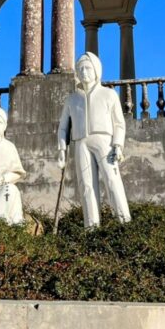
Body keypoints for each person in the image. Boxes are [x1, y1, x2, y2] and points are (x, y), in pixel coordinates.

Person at [57, 52, 131, 228]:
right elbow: (62, 128)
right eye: (80, 68)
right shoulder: (72, 99)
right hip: (80, 141)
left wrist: (118, 145)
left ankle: (124, 223)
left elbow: (119, 123)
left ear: (96, 70)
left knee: (112, 180)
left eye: (88, 68)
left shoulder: (109, 94)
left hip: (104, 140)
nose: (84, 72)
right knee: (86, 185)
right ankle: (91, 226)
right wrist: (61, 149)